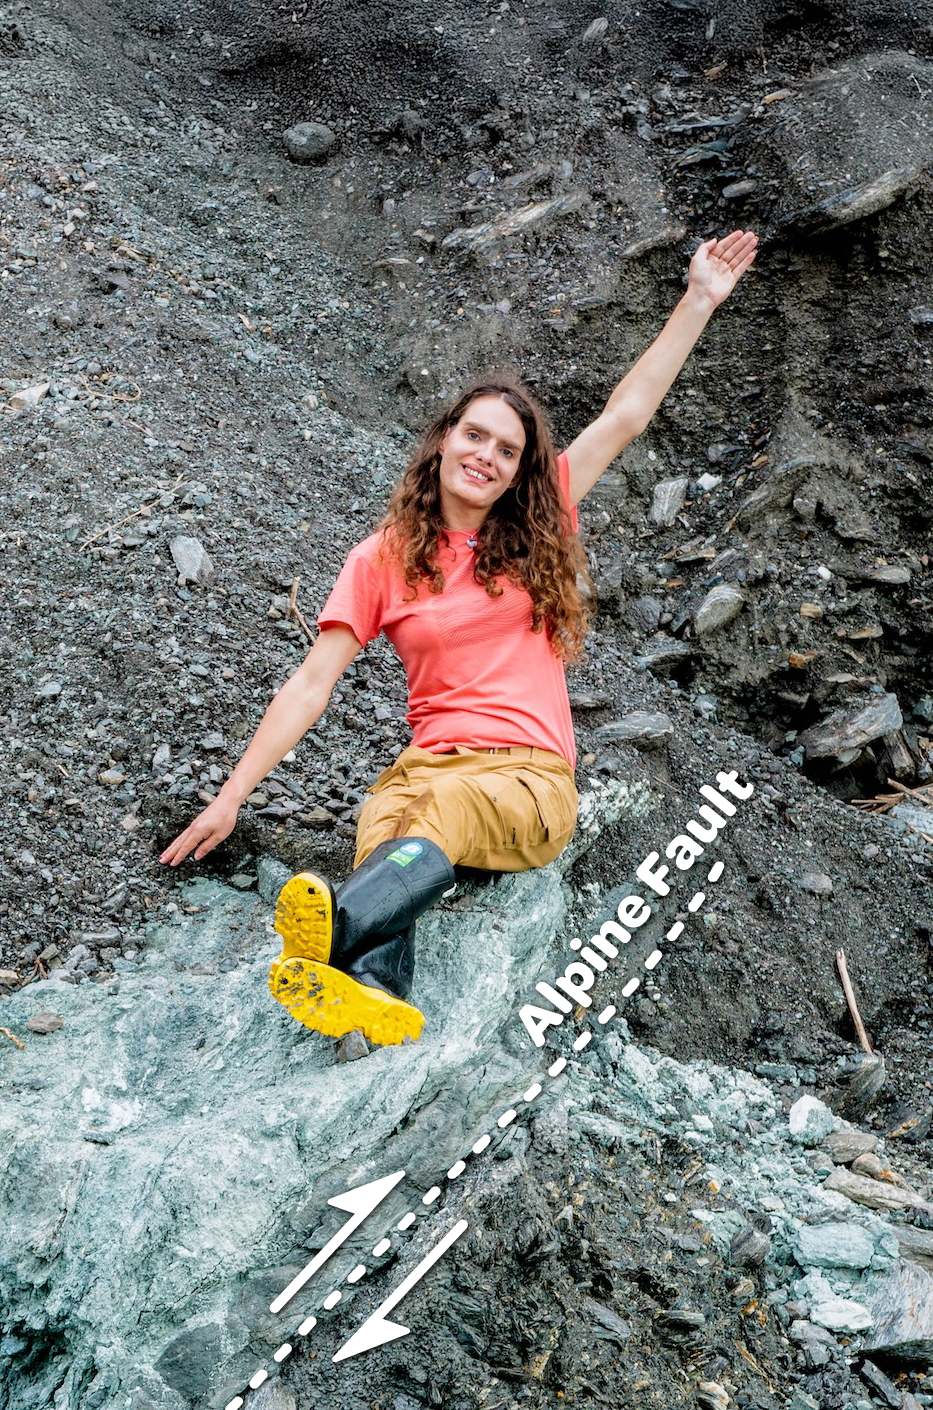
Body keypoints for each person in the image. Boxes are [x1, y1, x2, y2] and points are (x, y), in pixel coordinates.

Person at [160, 229, 759, 1047]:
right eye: (475, 435)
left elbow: (624, 416)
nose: (487, 455)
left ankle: (334, 931)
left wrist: (697, 301)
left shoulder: (541, 524)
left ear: (519, 472)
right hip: (425, 771)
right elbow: (311, 683)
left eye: (508, 450)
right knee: (389, 819)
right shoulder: (380, 559)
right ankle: (373, 994)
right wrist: (232, 797)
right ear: (445, 438)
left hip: (528, 781)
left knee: (431, 814)